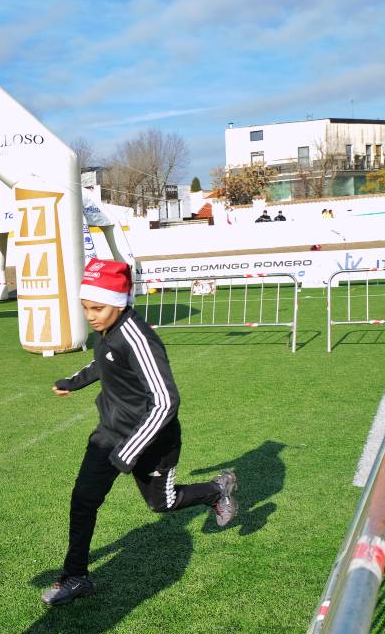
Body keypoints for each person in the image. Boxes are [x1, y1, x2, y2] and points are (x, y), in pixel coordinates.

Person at [41, 258, 239, 607]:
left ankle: (215, 491)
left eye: (97, 307)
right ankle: (76, 577)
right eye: (85, 307)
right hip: (110, 433)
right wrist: (73, 382)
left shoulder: (138, 337)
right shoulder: (107, 330)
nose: (90, 315)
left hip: (153, 440)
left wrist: (128, 452)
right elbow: (103, 361)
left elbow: (165, 402)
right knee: (84, 500)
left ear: (119, 301)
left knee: (161, 504)